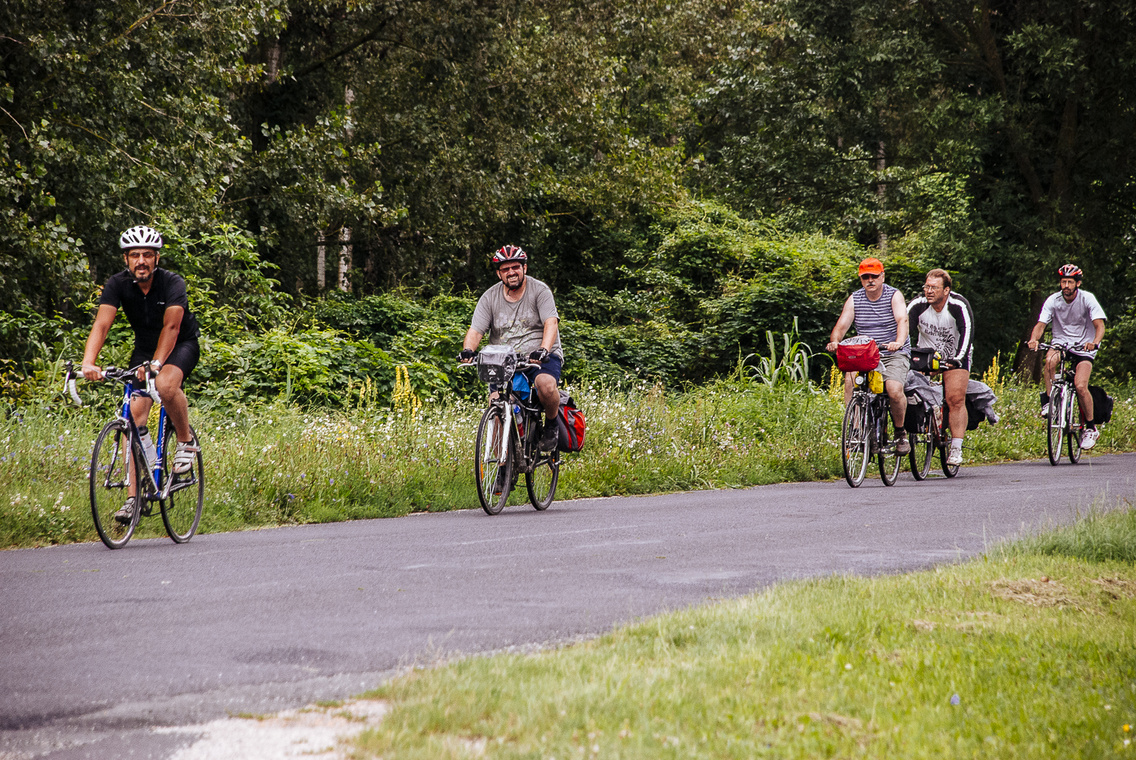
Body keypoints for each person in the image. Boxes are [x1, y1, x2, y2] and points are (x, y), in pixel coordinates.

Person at [82, 225, 201, 522]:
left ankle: (186, 442)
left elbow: (172, 328)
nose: (141, 261)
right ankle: (134, 499)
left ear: (157, 258)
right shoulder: (117, 284)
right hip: (144, 350)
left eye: (147, 254)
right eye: (135, 255)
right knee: (134, 419)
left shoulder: (172, 283)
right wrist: (89, 362)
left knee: (164, 386)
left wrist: (158, 363)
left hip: (180, 344)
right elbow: (102, 325)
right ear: (126, 259)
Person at [459, 245, 563, 454]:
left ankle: (551, 426)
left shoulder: (540, 290)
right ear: (499, 273)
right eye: (505, 269)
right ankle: (500, 469)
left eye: (515, 267)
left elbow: (551, 323)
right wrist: (468, 350)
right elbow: (476, 330)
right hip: (503, 360)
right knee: (496, 405)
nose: (511, 272)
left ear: (524, 268)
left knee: (546, 386)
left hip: (538, 356)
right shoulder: (489, 297)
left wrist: (543, 349)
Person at [826, 257, 912, 455]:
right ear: (861, 279)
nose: (870, 281)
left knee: (893, 390)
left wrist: (898, 342)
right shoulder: (855, 298)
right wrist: (835, 341)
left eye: (874, 276)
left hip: (892, 352)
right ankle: (856, 428)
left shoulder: (893, 295)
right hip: (865, 353)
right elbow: (841, 325)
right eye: (866, 277)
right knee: (850, 380)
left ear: (882, 276)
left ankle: (900, 433)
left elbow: (902, 319)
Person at [1026, 264, 1107, 449]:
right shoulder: (1053, 300)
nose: (1066, 286)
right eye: (1063, 281)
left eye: (1070, 282)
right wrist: (1033, 339)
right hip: (1061, 342)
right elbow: (1041, 324)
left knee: (1080, 385)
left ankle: (1090, 428)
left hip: (1084, 346)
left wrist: (1094, 342)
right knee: (1049, 361)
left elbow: (1099, 325)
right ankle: (1049, 402)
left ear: (1077, 283)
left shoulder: (1087, 299)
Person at [907, 268, 975, 466]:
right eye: (926, 287)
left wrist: (958, 359)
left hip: (954, 355)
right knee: (911, 390)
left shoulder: (958, 305)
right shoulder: (917, 305)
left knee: (955, 398)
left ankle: (956, 448)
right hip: (925, 355)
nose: (929, 291)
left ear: (946, 290)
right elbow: (903, 330)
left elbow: (967, 334)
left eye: (934, 288)